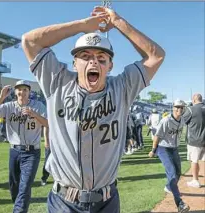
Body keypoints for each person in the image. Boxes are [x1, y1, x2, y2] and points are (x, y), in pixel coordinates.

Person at [22, 6, 165, 213]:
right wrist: (83, 26)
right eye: (85, 56)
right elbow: (29, 41)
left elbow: (156, 56)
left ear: (110, 66)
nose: (93, 62)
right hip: (64, 202)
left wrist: (118, 22)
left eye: (101, 58)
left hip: (107, 201)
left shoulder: (122, 87)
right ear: (74, 63)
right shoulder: (57, 81)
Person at [0, 80, 48, 213]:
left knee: (24, 188)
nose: (22, 92)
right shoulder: (8, 106)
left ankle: (19, 210)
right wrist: (1, 98)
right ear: (15, 91)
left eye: (25, 89)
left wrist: (34, 114)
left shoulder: (38, 105)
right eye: (19, 89)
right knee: (14, 186)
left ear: (29, 92)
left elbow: (49, 124)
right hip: (14, 151)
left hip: (32, 152)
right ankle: (18, 205)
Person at [148, 99, 190, 213]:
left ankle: (168, 186)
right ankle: (180, 204)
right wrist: (153, 150)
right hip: (163, 148)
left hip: (174, 149)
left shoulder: (182, 121)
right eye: (177, 107)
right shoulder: (165, 120)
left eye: (181, 107)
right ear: (173, 107)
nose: (179, 109)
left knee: (178, 173)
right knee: (171, 173)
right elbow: (157, 136)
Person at [183, 94, 205, 188]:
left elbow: (183, 121)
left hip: (194, 140)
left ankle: (195, 180)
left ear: (194, 100)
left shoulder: (191, 109)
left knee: (194, 161)